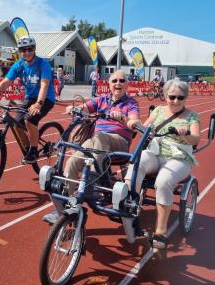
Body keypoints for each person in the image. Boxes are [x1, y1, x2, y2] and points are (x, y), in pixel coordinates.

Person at [42, 70, 141, 224]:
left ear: (127, 84)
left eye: (122, 81)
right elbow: (85, 107)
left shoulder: (131, 103)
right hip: (97, 142)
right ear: (108, 84)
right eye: (114, 81)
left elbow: (134, 121)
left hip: (119, 143)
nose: (118, 84)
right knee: (73, 161)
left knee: (99, 137)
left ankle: (92, 183)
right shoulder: (101, 100)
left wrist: (124, 118)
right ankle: (65, 208)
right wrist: (75, 109)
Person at [124, 79, 201, 250]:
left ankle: (161, 230)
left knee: (163, 181)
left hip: (178, 157)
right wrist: (135, 125)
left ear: (185, 98)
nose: (176, 101)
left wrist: (186, 133)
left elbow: (196, 139)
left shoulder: (192, 116)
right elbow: (145, 128)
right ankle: (130, 208)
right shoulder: (158, 110)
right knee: (136, 164)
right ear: (165, 96)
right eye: (172, 97)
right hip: (155, 151)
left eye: (180, 98)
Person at [0, 36, 55, 164]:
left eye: (29, 49)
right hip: (29, 97)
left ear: (34, 49)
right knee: (15, 123)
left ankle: (34, 149)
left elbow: (44, 85)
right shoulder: (19, 65)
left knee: (30, 120)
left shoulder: (43, 64)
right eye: (23, 50)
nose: (26, 52)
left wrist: (38, 104)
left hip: (46, 98)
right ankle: (28, 150)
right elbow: (5, 83)